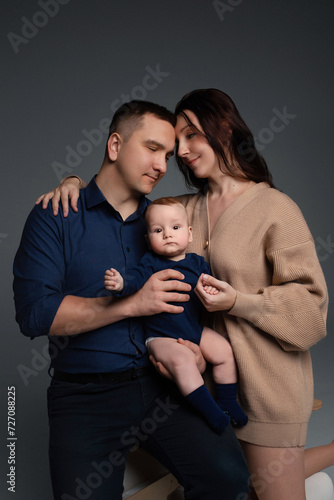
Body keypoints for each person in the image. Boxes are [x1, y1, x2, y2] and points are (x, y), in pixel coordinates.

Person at [39, 90, 334, 500]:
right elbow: (115, 203)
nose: (182, 151)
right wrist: (71, 182)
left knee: (272, 489)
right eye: (179, 142)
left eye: (193, 134)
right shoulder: (182, 211)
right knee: (241, 482)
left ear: (226, 129)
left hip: (268, 391)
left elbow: (311, 316)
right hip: (201, 391)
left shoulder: (275, 209)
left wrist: (237, 302)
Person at [13, 100, 250, 500]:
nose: (162, 165)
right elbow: (34, 315)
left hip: (161, 387)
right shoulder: (56, 215)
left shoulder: (164, 221)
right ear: (115, 145)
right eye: (152, 148)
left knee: (229, 480)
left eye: (169, 155)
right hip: (84, 398)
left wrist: (193, 348)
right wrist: (131, 304)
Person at [104, 196, 248, 433]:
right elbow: (134, 281)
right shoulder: (150, 263)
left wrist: (211, 289)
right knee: (183, 361)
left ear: (189, 234)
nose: (168, 234)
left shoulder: (197, 262)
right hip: (162, 337)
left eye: (175, 227)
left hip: (193, 330)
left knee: (224, 350)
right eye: (158, 230)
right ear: (148, 240)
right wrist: (120, 283)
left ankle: (227, 400)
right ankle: (209, 410)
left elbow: (209, 283)